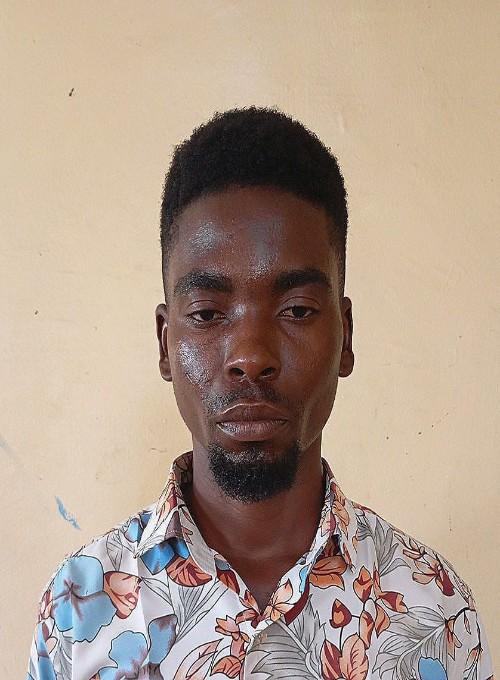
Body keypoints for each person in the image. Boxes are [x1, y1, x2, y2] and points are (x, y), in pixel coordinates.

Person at [27, 107, 493, 680]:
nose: (250, 355)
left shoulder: (437, 612)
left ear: (345, 338)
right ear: (165, 343)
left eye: (296, 310)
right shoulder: (78, 612)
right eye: (207, 313)